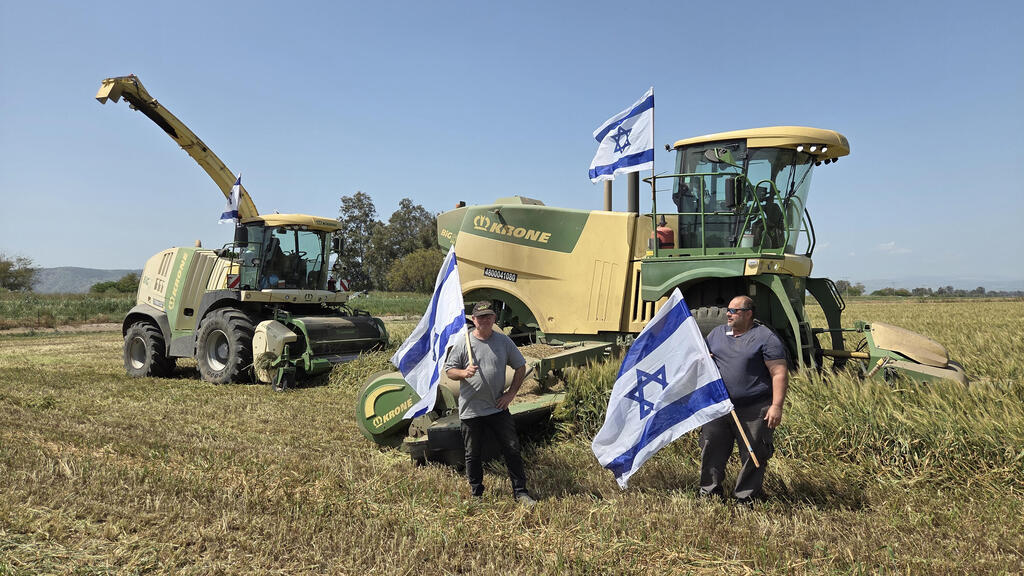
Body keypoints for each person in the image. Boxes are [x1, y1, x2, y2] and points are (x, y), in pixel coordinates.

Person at [444, 300, 536, 506]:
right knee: (472, 454)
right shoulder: (463, 342)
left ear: (494, 319)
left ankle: (520, 492)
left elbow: (520, 367)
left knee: (512, 449)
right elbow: (450, 370)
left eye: (488, 316)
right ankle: (477, 494)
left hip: (497, 407)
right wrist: (463, 373)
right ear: (473, 320)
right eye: (480, 317)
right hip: (471, 410)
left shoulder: (503, 342)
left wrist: (511, 394)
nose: (485, 320)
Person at [699, 295, 788, 503]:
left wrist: (776, 406)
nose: (728, 314)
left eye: (734, 311)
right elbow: (703, 357)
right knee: (711, 449)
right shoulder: (717, 334)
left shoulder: (765, 337)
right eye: (727, 310)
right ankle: (709, 493)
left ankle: (746, 497)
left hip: (753, 409)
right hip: (719, 406)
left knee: (754, 453)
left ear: (748, 314)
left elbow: (779, 373)